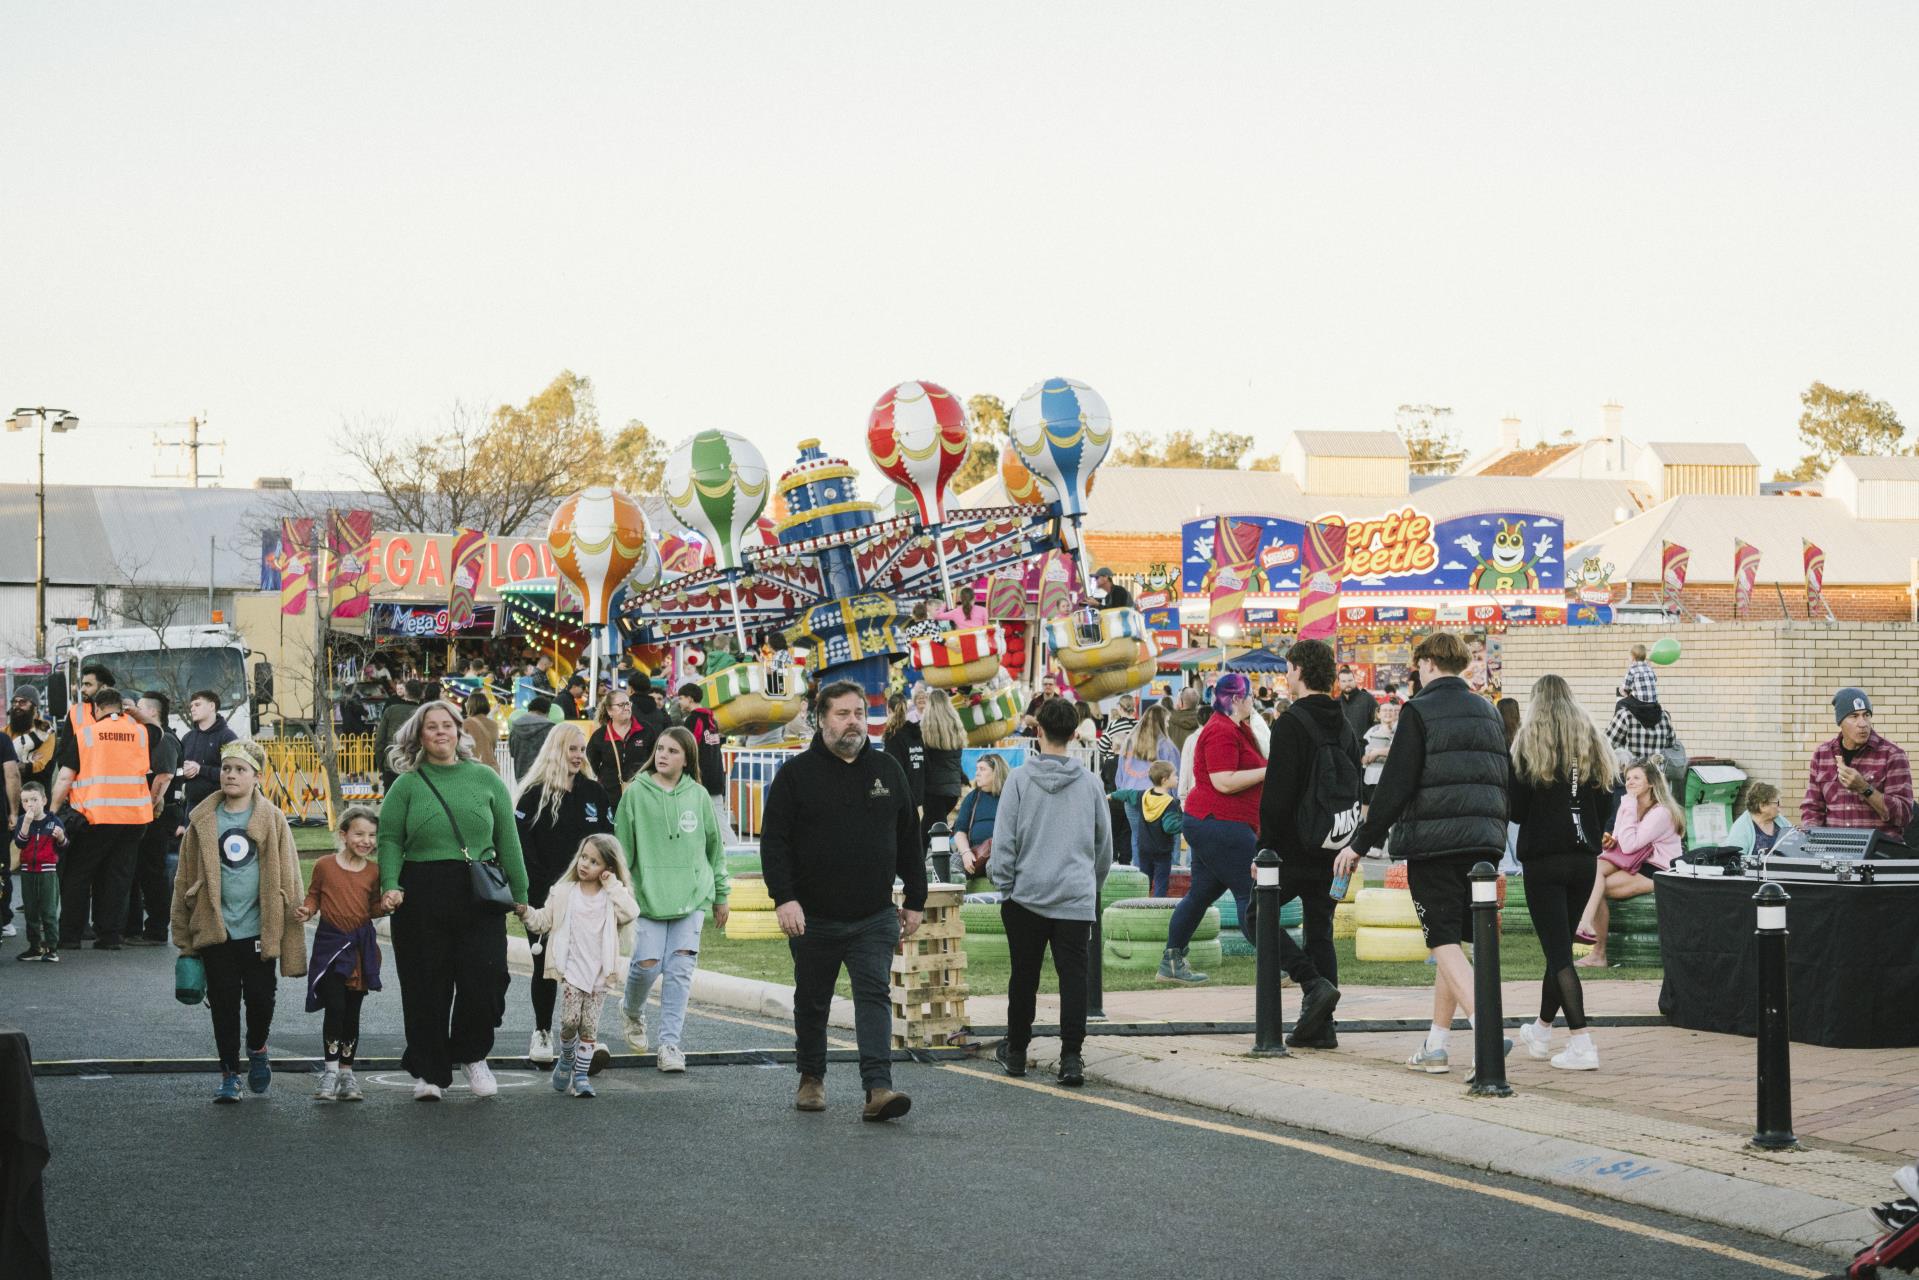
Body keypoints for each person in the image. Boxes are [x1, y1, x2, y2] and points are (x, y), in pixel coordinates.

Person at [1336, 632, 1510, 1078]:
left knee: (1439, 938)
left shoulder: (1419, 710)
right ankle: (1437, 1043)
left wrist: (1360, 843)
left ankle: (1486, 1027)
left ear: (1429, 663)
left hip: (1435, 842)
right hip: (1484, 840)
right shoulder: (1488, 710)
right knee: (1452, 938)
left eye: (1418, 667)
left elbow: (1395, 784)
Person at [760, 680, 924, 1122]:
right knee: (813, 1000)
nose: (853, 722)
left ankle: (878, 1088)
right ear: (820, 718)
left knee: (874, 995)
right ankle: (811, 1077)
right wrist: (784, 899)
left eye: (858, 713)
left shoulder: (888, 770)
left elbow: (910, 838)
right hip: (813, 917)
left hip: (873, 915)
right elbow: (774, 845)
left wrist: (916, 898)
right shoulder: (795, 776)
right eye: (842, 714)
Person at [378, 700, 529, 1101]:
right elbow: (389, 838)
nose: (441, 732)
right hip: (421, 892)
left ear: (459, 732)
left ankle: (472, 1055)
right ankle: (428, 1071)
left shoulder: (486, 779)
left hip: (478, 891)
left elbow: (508, 841)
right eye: (432, 727)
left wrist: (522, 895)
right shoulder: (407, 785)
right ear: (419, 736)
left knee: (487, 979)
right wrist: (390, 883)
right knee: (427, 985)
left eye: (448, 725)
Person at [988, 697, 1113, 1086]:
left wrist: (1004, 885)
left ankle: (1018, 1050)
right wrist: (1090, 887)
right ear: (1075, 734)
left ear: (1037, 731)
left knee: (1023, 976)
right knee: (1073, 977)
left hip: (1026, 894)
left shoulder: (1020, 781)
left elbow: (1004, 841)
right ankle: (1071, 1056)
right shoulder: (1091, 784)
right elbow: (1103, 847)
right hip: (1074, 895)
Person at [171, 740, 306, 1102]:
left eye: (240, 769)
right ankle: (229, 1074)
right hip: (217, 929)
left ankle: (258, 1047)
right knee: (224, 1004)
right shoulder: (202, 818)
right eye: (227, 768)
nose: (231, 775)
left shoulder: (273, 818)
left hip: (260, 928)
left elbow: (291, 877)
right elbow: (184, 879)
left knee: (261, 1000)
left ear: (256, 777)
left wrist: (294, 925)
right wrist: (183, 936)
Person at [1244, 638, 1354, 1045]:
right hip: (1331, 845)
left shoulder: (1291, 723)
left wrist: (1265, 850)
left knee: (1257, 917)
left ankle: (1311, 984)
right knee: (1320, 930)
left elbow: (1276, 796)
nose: (1286, 677)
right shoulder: (1345, 723)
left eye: (1289, 669)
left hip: (1291, 847)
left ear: (1302, 672)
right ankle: (1322, 1028)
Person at [1508, 675, 1618, 1072]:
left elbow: (1516, 810)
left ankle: (1581, 1041)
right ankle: (1540, 1030)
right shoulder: (1591, 740)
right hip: (1583, 859)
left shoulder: (1526, 746)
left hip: (1544, 859)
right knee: (1559, 950)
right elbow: (1608, 796)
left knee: (1557, 954)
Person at [615, 726, 729, 1072]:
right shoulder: (635, 792)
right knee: (646, 965)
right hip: (648, 897)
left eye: (672, 751)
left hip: (690, 898)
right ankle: (632, 1011)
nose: (663, 755)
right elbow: (621, 849)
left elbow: (715, 848)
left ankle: (670, 1045)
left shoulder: (698, 795)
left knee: (680, 970)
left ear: (686, 759)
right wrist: (620, 894)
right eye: (660, 749)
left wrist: (721, 895)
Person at [512, 723, 612, 1065]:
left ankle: (586, 1036)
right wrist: (538, 889)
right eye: (572, 748)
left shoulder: (594, 793)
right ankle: (542, 1031)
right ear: (556, 750)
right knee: (546, 964)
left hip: (588, 896)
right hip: (545, 894)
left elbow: (607, 842)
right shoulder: (533, 794)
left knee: (586, 969)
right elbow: (520, 843)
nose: (578, 756)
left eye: (582, 749)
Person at [1159, 673, 1265, 983]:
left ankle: (1172, 961)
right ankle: (1279, 963)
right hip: (1219, 822)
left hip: (1214, 822)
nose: (1253, 702)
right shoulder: (1220, 731)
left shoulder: (1235, 728)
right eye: (1249, 697)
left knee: (1201, 894)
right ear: (1235, 699)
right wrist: (1265, 773)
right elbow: (1223, 780)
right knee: (1250, 894)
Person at [516, 834, 638, 1098]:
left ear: (607, 868)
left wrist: (613, 885)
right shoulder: (564, 893)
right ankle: (567, 1058)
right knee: (570, 1021)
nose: (585, 864)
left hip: (599, 973)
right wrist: (526, 912)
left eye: (594, 861)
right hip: (572, 970)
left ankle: (581, 1077)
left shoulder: (611, 897)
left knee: (589, 1028)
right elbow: (543, 921)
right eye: (584, 856)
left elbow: (631, 912)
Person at [50, 679, 161, 951]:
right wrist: (132, 712)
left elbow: (65, 777)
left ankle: (70, 937)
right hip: (134, 819)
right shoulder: (141, 734)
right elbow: (157, 728)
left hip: (95, 818)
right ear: (121, 708)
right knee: (117, 878)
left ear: (98, 708)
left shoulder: (87, 734)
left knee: (78, 875)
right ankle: (109, 937)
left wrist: (52, 811)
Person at [296, 805, 386, 1102]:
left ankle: (348, 1074)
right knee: (335, 1006)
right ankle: (330, 1071)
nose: (366, 841)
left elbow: (372, 907)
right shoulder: (324, 865)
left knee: (352, 1012)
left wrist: (385, 907)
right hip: (331, 947)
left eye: (372, 835)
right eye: (359, 833)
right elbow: (314, 895)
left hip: (360, 949)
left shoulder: (374, 871)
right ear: (344, 834)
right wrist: (307, 910)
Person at [1575, 758, 1682, 967]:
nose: (1630, 782)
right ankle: (1588, 930)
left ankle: (1597, 951)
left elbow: (1631, 844)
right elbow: (1621, 839)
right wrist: (1610, 839)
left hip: (1655, 869)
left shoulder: (1661, 812)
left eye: (1636, 778)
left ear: (1651, 782)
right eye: (1627, 778)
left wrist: (1629, 806)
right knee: (1591, 871)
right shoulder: (1628, 803)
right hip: (1633, 860)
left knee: (1598, 886)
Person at [1803, 687, 1913, 843]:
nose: (1863, 723)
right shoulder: (1822, 754)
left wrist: (1864, 788)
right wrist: (1815, 844)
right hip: (1836, 851)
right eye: (1854, 716)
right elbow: (1812, 808)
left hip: (1879, 854)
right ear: (1840, 721)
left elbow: (1904, 816)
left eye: (1866, 715)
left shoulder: (1892, 755)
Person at [122, 691, 179, 946]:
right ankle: (131, 927)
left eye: (139, 707)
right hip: (142, 815)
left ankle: (156, 930)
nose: (133, 711)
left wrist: (147, 807)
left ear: (153, 712)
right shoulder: (145, 737)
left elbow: (164, 777)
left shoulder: (164, 739)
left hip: (155, 817)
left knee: (152, 873)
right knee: (136, 871)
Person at [1114, 704, 1181, 885]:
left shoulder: (1128, 741)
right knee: (1168, 838)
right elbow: (1173, 772)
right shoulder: (1166, 745)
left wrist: (1124, 792)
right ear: (1161, 722)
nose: (1167, 726)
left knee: (1137, 840)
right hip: (1160, 798)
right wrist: (1175, 799)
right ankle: (1167, 880)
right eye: (1166, 722)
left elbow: (1120, 774)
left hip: (1132, 797)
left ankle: (1141, 881)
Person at [11, 783, 67, 960]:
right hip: (27, 871)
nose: (30, 805)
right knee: (30, 912)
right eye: (25, 801)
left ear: (44, 800)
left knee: (49, 911)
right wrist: (26, 823)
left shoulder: (53, 821)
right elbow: (20, 843)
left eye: (34, 800)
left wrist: (61, 837)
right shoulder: (22, 821)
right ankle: (35, 947)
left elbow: (64, 846)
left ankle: (52, 948)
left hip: (47, 872)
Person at [1110, 761, 1183, 896]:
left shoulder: (1143, 795)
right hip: (1162, 851)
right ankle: (1157, 908)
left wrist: (1111, 795)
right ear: (1165, 780)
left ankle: (1141, 906)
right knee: (1161, 882)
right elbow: (1169, 826)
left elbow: (1126, 793)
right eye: (1174, 775)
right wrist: (1187, 822)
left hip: (1144, 848)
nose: (1177, 778)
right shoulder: (1170, 803)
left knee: (1145, 881)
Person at [675, 683, 735, 843]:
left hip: (700, 778)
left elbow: (688, 749)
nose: (679, 702)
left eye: (681, 698)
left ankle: (734, 849)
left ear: (689, 699)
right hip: (715, 774)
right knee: (716, 818)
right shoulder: (711, 720)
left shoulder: (693, 721)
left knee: (699, 819)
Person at [919, 689, 968, 882]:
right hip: (952, 790)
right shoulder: (956, 726)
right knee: (928, 830)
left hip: (933, 790)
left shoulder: (926, 729)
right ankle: (922, 868)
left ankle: (945, 873)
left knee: (931, 832)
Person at [175, 689, 236, 823]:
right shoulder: (187, 738)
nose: (192, 709)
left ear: (211, 706)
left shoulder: (227, 736)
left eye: (197, 704)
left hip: (220, 805)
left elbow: (234, 773)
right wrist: (183, 773)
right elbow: (175, 772)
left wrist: (200, 769)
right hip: (192, 807)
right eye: (191, 706)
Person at [586, 689, 652, 807]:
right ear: (609, 710)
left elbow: (654, 758)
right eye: (621, 705)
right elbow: (592, 762)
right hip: (610, 797)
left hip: (642, 793)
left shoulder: (646, 730)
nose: (626, 707)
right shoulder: (600, 736)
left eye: (628, 704)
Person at [952, 754, 1007, 878]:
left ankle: (1002, 898)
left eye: (982, 769)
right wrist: (966, 852)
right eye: (976, 769)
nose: (977, 773)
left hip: (1000, 853)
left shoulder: (1010, 796)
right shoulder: (972, 797)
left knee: (994, 867)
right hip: (974, 853)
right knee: (953, 864)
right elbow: (960, 831)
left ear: (996, 772)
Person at [882, 693, 926, 821]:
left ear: (888, 710)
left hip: (902, 799)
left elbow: (892, 770)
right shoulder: (917, 734)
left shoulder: (893, 737)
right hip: (920, 798)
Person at [375, 679, 424, 793]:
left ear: (405, 692)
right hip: (416, 766)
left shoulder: (391, 710)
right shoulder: (423, 713)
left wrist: (382, 765)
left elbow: (379, 741)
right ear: (422, 694)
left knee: (391, 806)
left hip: (392, 764)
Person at [1728, 782, 1793, 858]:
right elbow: (1736, 859)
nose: (1780, 805)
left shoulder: (1781, 821)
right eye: (1777, 802)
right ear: (1762, 806)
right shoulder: (1741, 827)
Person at [508, 694, 557, 781]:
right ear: (547, 711)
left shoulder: (515, 727)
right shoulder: (549, 728)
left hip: (521, 778)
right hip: (543, 778)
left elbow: (512, 753)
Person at [1337, 665, 1378, 743]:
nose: (1347, 684)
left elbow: (1377, 723)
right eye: (1344, 681)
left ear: (1354, 680)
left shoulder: (1368, 699)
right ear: (1338, 683)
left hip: (1363, 748)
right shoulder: (1335, 703)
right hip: (1342, 749)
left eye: (1350, 680)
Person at [462, 692, 500, 774]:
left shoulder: (466, 723)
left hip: (474, 767)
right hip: (492, 768)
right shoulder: (494, 724)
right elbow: (493, 746)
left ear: (470, 706)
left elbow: (462, 747)